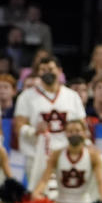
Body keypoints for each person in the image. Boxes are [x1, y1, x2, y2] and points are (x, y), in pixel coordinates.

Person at [12, 56, 87, 190]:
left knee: (66, 193)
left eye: (50, 69)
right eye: (43, 70)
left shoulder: (72, 96)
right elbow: (19, 126)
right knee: (38, 195)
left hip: (66, 153)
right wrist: (34, 131)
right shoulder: (26, 97)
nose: (47, 72)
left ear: (59, 70)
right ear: (38, 73)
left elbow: (82, 125)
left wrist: (86, 144)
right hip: (37, 154)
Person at [32, 119, 102, 203]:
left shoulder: (93, 156)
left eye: (77, 131)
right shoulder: (57, 154)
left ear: (85, 133)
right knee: (37, 200)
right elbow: (42, 183)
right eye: (70, 131)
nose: (74, 134)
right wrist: (37, 195)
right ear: (65, 134)